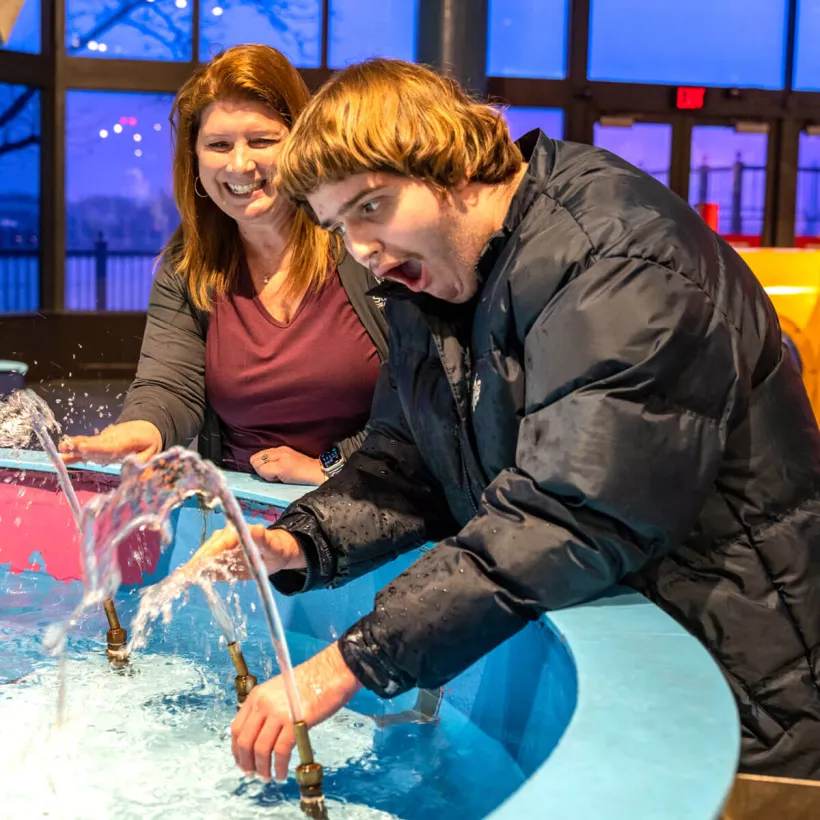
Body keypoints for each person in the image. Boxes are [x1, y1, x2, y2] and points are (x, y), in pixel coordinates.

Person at [183, 59, 820, 784]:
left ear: (452, 163)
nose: (360, 250)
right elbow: (408, 463)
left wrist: (351, 660)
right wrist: (296, 540)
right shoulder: (442, 277)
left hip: (751, 687)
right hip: (640, 664)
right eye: (337, 226)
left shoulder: (618, 256)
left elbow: (574, 513)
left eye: (372, 206)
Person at [60, 45, 387, 486]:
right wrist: (141, 428)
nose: (240, 164)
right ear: (194, 160)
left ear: (302, 144)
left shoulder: (362, 243)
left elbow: (423, 396)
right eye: (218, 145)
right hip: (239, 519)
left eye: (262, 141)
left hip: (371, 503)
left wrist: (330, 465)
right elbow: (171, 385)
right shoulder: (187, 265)